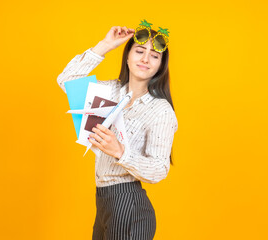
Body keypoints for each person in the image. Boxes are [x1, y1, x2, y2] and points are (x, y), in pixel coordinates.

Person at [57, 22, 178, 240]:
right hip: (103, 201)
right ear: (128, 56)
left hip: (129, 205)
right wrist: (105, 45)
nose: (144, 59)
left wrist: (121, 151)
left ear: (161, 65)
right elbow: (66, 81)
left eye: (154, 56)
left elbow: (160, 169)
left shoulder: (160, 110)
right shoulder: (112, 91)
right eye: (140, 51)